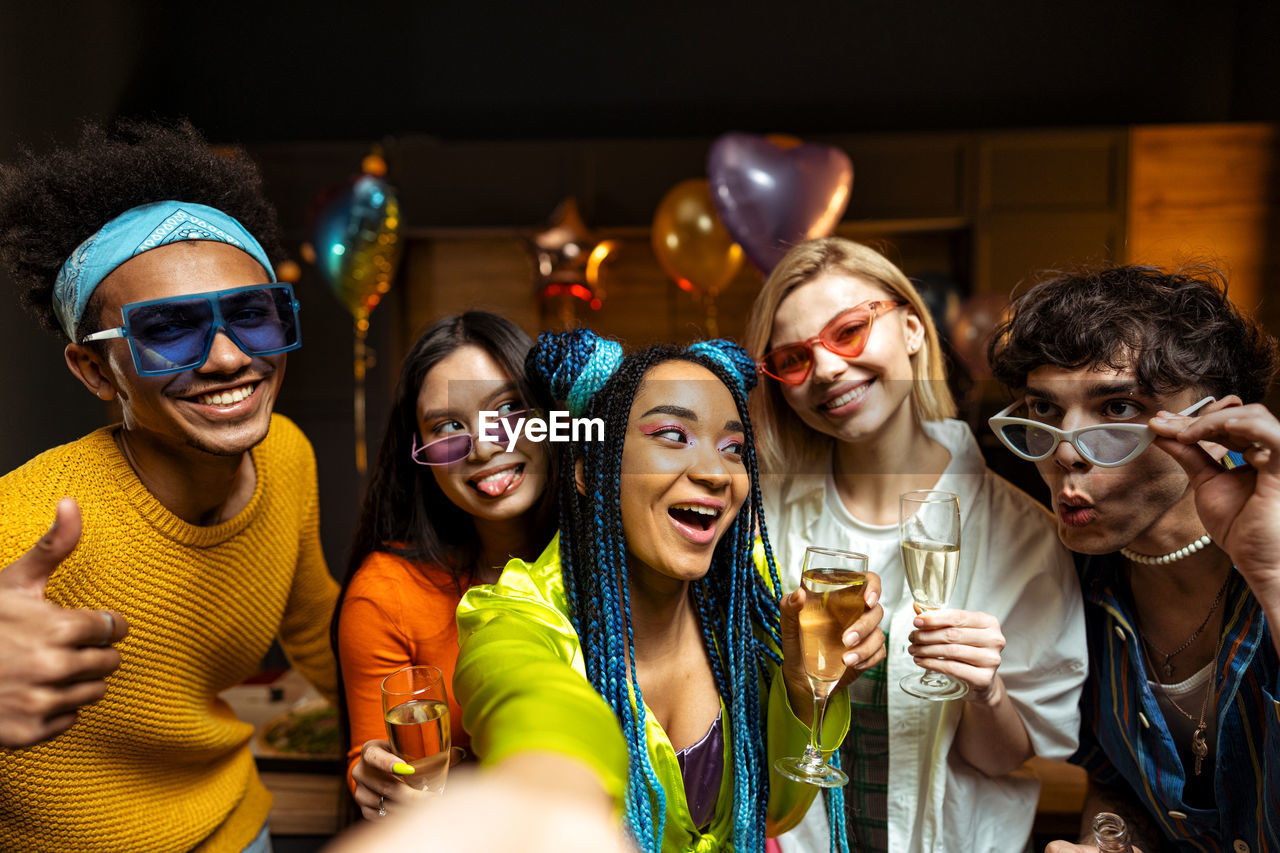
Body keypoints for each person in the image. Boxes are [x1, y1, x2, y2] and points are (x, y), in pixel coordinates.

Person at [0, 120, 338, 853]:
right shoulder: (25, 516)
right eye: (170, 330)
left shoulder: (287, 454)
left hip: (239, 829)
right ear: (94, 371)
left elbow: (319, 628)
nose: (226, 358)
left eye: (251, 315)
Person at [451, 330, 888, 853]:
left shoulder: (743, 602)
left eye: (732, 449)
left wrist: (802, 683)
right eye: (672, 435)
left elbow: (772, 813)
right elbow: (526, 699)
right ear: (592, 469)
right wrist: (553, 773)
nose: (715, 473)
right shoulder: (515, 616)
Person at [742, 237, 1087, 853]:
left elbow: (1000, 761)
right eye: (793, 359)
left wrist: (985, 689)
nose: (824, 369)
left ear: (909, 330)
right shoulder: (759, 521)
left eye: (847, 332)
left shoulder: (1023, 533)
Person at [986, 263, 1280, 852]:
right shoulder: (1070, 582)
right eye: (1044, 410)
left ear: (1212, 422)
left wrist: (1272, 577)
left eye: (1117, 408)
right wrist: (1106, 842)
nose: (1066, 449)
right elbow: (1117, 785)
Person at [334, 311, 555, 819]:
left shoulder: (618, 560)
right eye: (449, 426)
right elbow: (372, 763)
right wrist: (378, 784)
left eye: (510, 408)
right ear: (420, 453)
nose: (482, 446)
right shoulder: (388, 593)